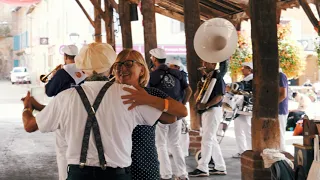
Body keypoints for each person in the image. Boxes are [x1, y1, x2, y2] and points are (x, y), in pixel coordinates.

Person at [21, 43, 179, 180]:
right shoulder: (129, 95)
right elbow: (171, 118)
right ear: (111, 66)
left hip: (78, 174)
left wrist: (27, 108)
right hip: (116, 175)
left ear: (81, 68)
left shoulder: (65, 97)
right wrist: (152, 100)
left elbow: (29, 125)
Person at [109, 49, 188, 180]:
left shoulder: (152, 93)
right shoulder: (107, 94)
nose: (122, 69)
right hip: (114, 167)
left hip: (145, 166)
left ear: (142, 70)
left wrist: (147, 99)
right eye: (117, 65)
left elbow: (180, 112)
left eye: (128, 64)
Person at [43, 44, 86, 180]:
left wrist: (53, 76)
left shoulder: (62, 72)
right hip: (85, 114)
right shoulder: (85, 71)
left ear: (65, 57)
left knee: (63, 152)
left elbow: (49, 92)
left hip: (65, 115)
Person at [148, 48, 191, 180]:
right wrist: (181, 106)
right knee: (175, 143)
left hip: (161, 114)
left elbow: (148, 94)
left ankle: (165, 174)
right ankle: (182, 174)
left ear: (154, 59)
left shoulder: (153, 75)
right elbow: (189, 91)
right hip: (176, 114)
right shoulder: (178, 73)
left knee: (161, 144)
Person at [189, 60, 227, 177]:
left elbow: (220, 96)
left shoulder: (218, 78)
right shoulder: (206, 80)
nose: (203, 65)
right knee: (211, 139)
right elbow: (196, 96)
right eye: (203, 63)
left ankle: (203, 167)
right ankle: (220, 167)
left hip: (213, 110)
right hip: (207, 111)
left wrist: (206, 105)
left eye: (207, 63)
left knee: (207, 139)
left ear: (213, 64)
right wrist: (199, 88)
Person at [229, 62, 253, 158]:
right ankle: (241, 150)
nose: (242, 69)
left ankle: (250, 150)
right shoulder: (244, 80)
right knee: (238, 129)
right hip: (240, 107)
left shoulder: (251, 80)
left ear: (250, 70)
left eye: (244, 68)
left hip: (247, 108)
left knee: (247, 129)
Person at [279, 71, 289, 151]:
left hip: (280, 109)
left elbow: (283, 94)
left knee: (280, 132)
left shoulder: (280, 75)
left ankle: (282, 151)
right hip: (275, 109)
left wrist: (273, 105)